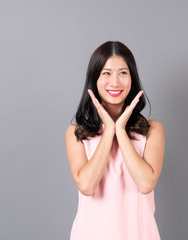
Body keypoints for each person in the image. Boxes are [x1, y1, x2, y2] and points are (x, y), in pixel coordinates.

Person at [65, 41, 165, 239]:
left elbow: (146, 184)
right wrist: (108, 130)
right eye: (106, 73)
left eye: (122, 73)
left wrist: (120, 129)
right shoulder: (76, 133)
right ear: (94, 79)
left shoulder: (153, 130)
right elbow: (86, 186)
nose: (115, 82)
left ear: (132, 78)